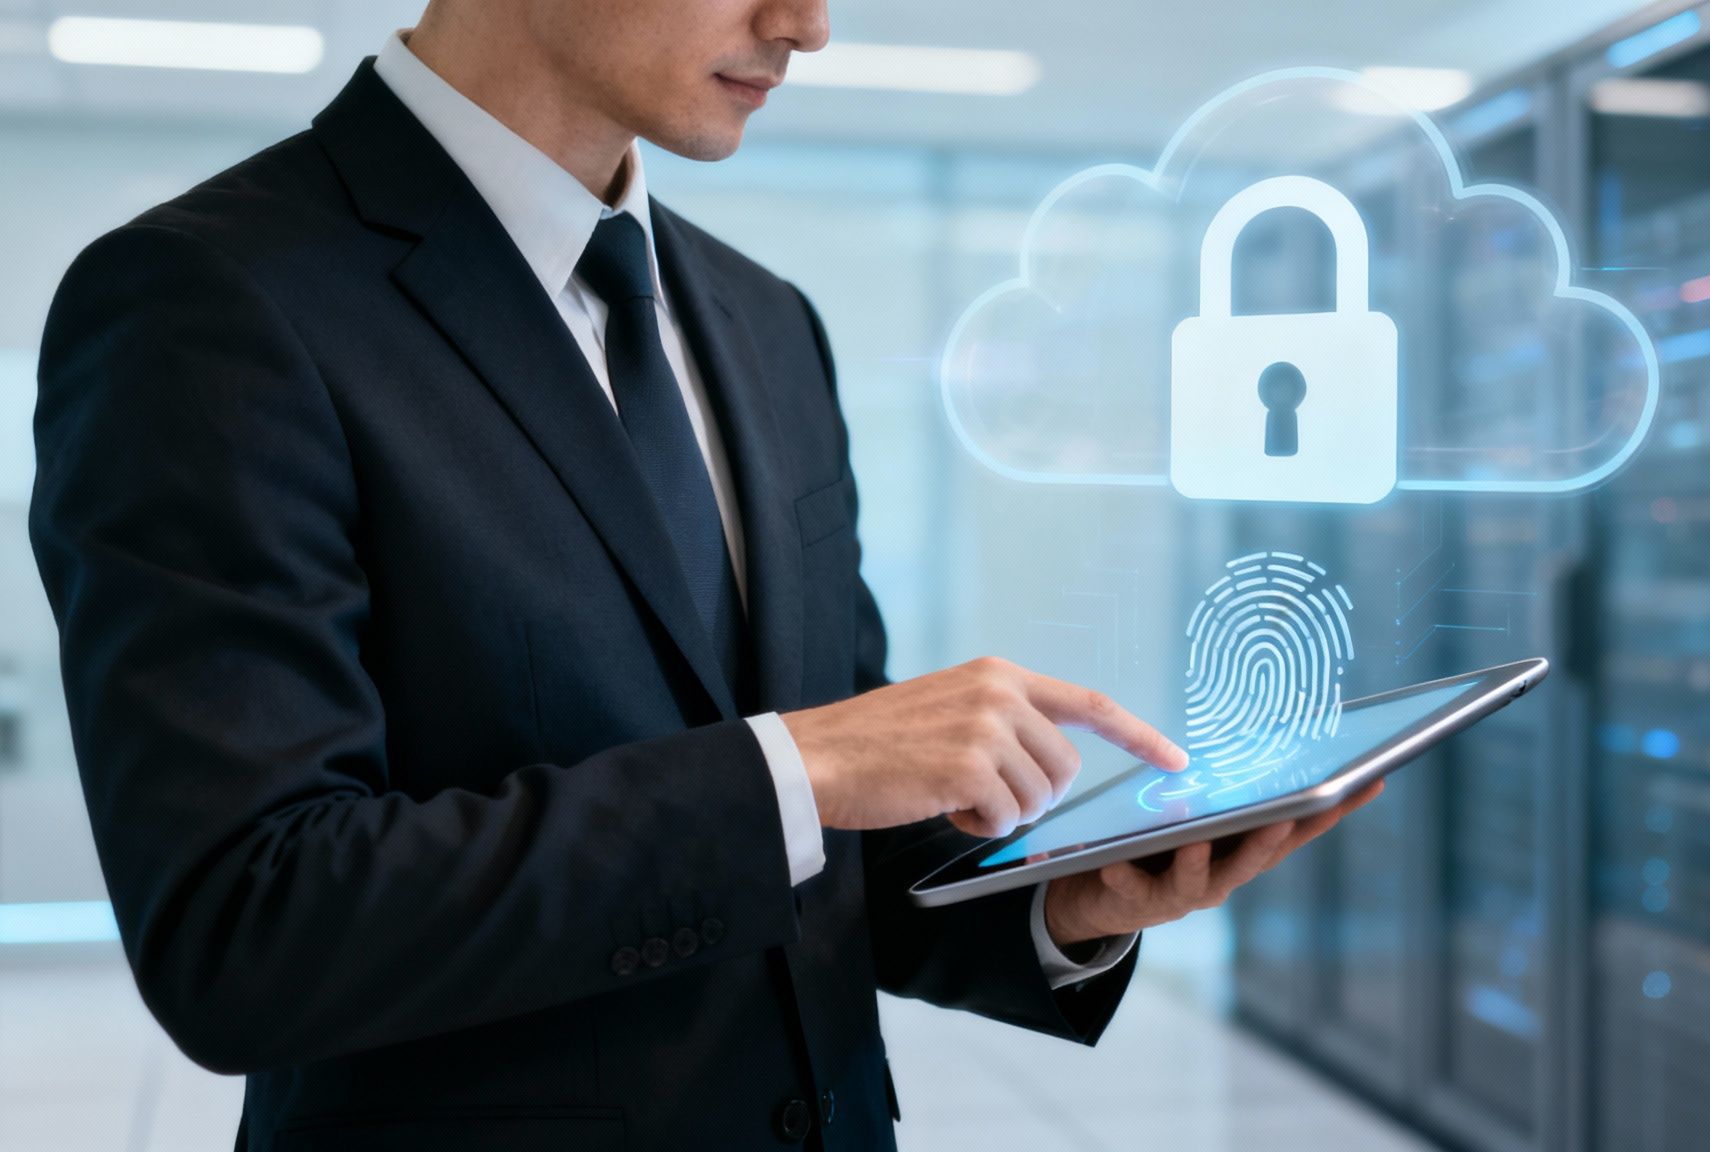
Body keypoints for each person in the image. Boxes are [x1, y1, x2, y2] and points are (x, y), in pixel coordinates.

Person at [28, 0, 1378, 1147]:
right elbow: (247, 934)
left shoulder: (763, 320)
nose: (807, 24)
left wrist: (1065, 904)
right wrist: (802, 766)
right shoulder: (209, 303)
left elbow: (819, 843)